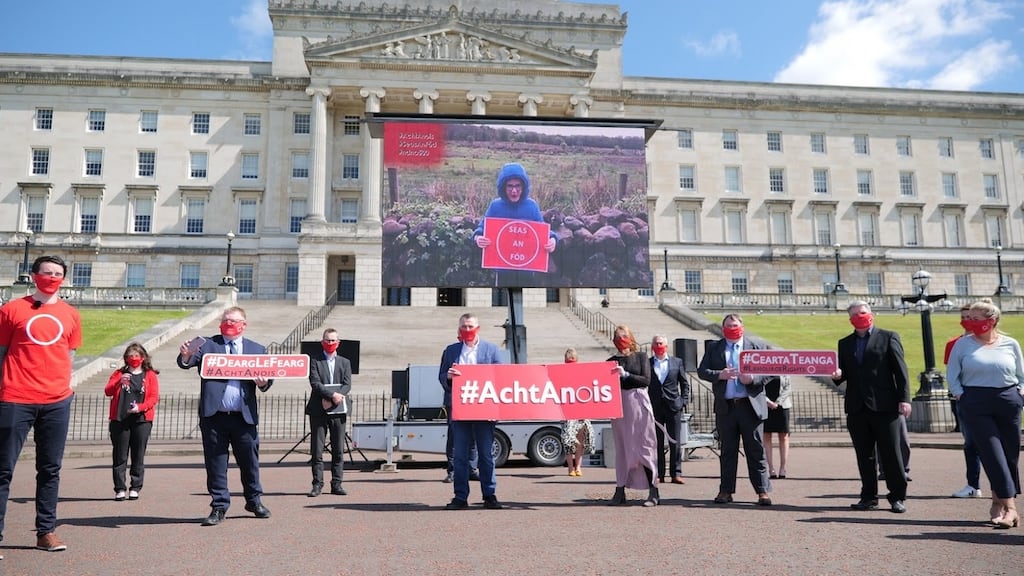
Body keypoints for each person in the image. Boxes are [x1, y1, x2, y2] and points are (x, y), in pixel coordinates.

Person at [0, 255, 81, 554]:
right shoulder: (11, 310)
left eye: (58, 273)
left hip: (56, 400)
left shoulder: (71, 314)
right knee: (3, 470)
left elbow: (69, 356)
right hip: (15, 397)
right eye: (46, 272)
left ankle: (46, 531)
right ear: (33, 275)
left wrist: (64, 388)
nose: (52, 277)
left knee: (50, 469)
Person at [177, 306, 273, 526]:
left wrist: (263, 382)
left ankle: (253, 500)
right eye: (225, 320)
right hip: (215, 417)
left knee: (249, 462)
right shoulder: (209, 344)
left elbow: (268, 380)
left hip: (243, 417)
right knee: (216, 463)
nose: (229, 323)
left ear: (243, 324)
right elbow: (186, 362)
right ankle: (219, 506)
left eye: (233, 320)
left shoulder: (256, 349)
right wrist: (185, 355)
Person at [946, 300, 1023, 529]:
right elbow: (952, 374)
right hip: (976, 402)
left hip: (1008, 400)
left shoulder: (1010, 344)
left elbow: (1021, 374)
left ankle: (997, 502)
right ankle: (1011, 508)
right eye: (969, 318)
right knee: (991, 452)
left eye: (976, 319)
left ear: (992, 321)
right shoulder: (963, 344)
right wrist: (961, 395)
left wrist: (1020, 393)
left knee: (1009, 455)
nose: (970, 322)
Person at [830, 300, 911, 514]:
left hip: (885, 405)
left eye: (863, 312)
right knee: (864, 456)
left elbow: (900, 370)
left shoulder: (888, 336)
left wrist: (905, 399)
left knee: (891, 453)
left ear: (872, 314)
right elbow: (844, 372)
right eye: (855, 314)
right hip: (857, 407)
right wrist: (837, 376)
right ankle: (868, 497)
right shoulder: (845, 343)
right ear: (850, 320)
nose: (860, 317)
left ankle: (897, 497)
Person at [697, 314, 773, 506]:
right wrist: (719, 375)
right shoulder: (714, 348)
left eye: (735, 325)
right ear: (723, 329)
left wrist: (753, 379)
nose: (733, 328)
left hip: (750, 406)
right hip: (727, 407)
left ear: (743, 327)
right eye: (729, 326)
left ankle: (762, 491)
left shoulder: (757, 347)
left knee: (756, 450)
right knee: (727, 451)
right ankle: (725, 490)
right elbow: (702, 371)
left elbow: (772, 370)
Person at [438, 313, 504, 510]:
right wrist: (448, 376)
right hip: (459, 409)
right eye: (464, 327)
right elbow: (441, 375)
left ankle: (489, 495)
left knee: (485, 454)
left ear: (478, 328)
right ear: (459, 329)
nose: (467, 330)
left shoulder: (491, 350)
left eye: (471, 326)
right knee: (459, 455)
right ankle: (460, 496)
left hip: (484, 409)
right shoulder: (451, 350)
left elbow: (501, 377)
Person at [473, 162, 557, 286]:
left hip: (526, 271)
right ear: (503, 187)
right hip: (503, 272)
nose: (514, 191)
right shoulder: (495, 206)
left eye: (518, 186)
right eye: (509, 186)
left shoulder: (532, 206)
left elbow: (543, 232)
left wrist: (553, 240)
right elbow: (481, 229)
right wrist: (478, 238)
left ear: (523, 187)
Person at [607, 325, 659, 507]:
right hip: (619, 407)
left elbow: (646, 380)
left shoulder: (641, 357)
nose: (621, 339)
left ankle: (653, 491)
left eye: (624, 335)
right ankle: (620, 490)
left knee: (644, 446)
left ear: (631, 337)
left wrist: (626, 375)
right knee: (622, 448)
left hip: (638, 403)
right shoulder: (611, 361)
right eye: (617, 336)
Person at [103, 342, 160, 501]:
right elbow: (107, 391)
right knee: (119, 455)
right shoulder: (119, 373)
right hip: (120, 419)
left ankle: (135, 486)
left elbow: (154, 397)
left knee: (138, 454)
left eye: (136, 356)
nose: (133, 358)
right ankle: (120, 488)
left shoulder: (149, 374)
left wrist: (141, 407)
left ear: (142, 357)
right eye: (130, 356)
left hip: (141, 419)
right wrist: (118, 381)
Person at [305, 328, 351, 497]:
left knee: (338, 449)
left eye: (333, 340)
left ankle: (337, 484)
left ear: (338, 342)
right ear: (322, 341)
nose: (330, 343)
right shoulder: (315, 361)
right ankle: (317, 484)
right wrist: (330, 395)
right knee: (317, 450)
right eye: (327, 340)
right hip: (318, 409)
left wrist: (336, 397)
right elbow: (315, 382)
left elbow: (347, 384)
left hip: (339, 410)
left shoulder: (345, 362)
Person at [945, 303, 984, 499]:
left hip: (988, 397)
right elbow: (952, 372)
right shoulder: (954, 343)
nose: (966, 321)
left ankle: (1001, 487)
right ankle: (973, 484)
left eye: (970, 317)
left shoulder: (990, 342)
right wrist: (959, 393)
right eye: (964, 317)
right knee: (970, 443)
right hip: (965, 399)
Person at [648, 334, 689, 484]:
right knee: (656, 442)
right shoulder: (648, 363)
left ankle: (676, 473)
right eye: (656, 343)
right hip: (655, 407)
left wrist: (683, 401)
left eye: (661, 343)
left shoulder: (677, 362)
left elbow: (685, 384)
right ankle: (659, 473)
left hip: (673, 407)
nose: (659, 346)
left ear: (666, 346)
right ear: (652, 346)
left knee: (675, 441)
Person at [560, 348, 595, 477]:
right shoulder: (560, 373)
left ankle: (578, 466)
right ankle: (570, 467)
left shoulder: (582, 373)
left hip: (580, 409)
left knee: (579, 439)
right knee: (568, 440)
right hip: (566, 411)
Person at [764, 375, 792, 479]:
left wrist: (778, 402)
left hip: (782, 405)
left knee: (784, 436)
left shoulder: (784, 367)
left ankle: (783, 467)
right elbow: (758, 386)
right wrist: (768, 401)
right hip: (765, 405)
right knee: (766, 435)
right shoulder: (761, 367)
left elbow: (788, 387)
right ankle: (771, 468)